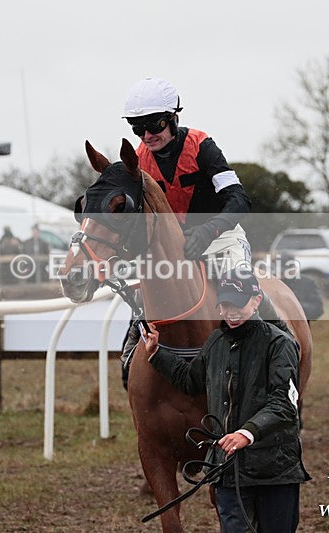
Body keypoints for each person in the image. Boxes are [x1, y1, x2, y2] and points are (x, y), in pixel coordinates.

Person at [142, 269, 310, 532]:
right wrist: (157, 354)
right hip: (229, 471)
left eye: (237, 304)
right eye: (225, 305)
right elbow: (190, 381)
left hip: (274, 472)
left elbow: (284, 405)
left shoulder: (280, 344)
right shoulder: (216, 342)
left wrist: (247, 433)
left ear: (256, 301)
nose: (231, 312)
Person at [120, 77, 256, 384]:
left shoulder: (202, 146)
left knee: (242, 295)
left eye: (153, 125)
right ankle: (132, 354)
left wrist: (208, 230)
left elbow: (239, 200)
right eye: (136, 128)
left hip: (221, 238)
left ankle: (276, 347)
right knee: (142, 303)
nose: (146, 135)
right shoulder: (138, 161)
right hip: (172, 248)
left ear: (172, 119)